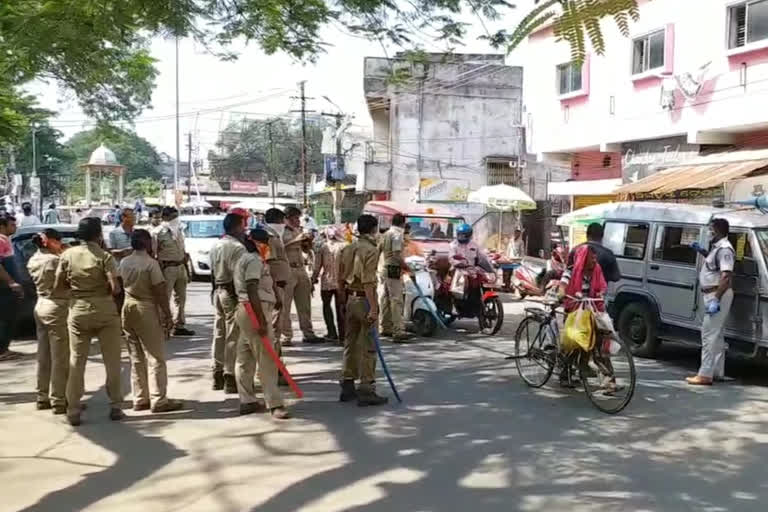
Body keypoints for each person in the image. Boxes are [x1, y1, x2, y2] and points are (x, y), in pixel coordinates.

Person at [54, 217, 124, 426]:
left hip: (78, 309)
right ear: (98, 235)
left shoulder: (67, 255)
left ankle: (73, 409)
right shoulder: (105, 257)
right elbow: (116, 288)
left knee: (77, 361)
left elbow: (58, 285)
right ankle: (116, 406)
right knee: (112, 360)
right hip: (103, 308)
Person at [119, 229, 183, 412]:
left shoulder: (124, 262)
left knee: (136, 356)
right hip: (145, 308)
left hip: (128, 307)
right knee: (155, 356)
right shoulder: (151, 264)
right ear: (147, 243)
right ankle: (159, 399)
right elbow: (160, 292)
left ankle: (140, 397)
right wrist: (167, 315)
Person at [233, 228, 291, 419]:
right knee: (267, 357)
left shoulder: (250, 259)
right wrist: (260, 319)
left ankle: (247, 400)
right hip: (254, 310)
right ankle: (274, 404)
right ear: (259, 243)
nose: (269, 247)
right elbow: (252, 288)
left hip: (247, 309)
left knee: (245, 355)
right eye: (266, 243)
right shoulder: (253, 260)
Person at [338, 214, 388, 406]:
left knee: (350, 343)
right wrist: (374, 309)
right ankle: (367, 388)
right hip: (364, 300)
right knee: (369, 346)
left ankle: (347, 383)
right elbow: (368, 281)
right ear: (374, 229)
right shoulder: (370, 250)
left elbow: (340, 276)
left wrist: (342, 299)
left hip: (350, 298)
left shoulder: (348, 247)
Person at [687, 218, 735, 386]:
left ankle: (705, 374)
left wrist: (716, 299)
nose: (708, 232)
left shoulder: (725, 249)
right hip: (714, 293)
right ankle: (717, 371)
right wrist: (702, 252)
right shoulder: (717, 249)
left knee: (708, 334)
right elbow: (715, 265)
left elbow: (726, 277)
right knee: (717, 335)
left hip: (717, 294)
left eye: (710, 229)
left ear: (717, 231)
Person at [28, 229, 69, 413]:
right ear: (50, 241)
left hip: (40, 304)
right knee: (60, 356)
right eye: (58, 241)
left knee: (43, 355)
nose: (61, 243)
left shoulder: (33, 259)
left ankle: (42, 395)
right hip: (57, 306)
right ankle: (59, 400)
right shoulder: (55, 260)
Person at [209, 213, 247, 393]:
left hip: (218, 289)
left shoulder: (216, 244)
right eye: (243, 225)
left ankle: (217, 372)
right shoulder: (237, 247)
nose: (245, 229)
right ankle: (229, 375)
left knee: (219, 332)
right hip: (231, 292)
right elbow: (238, 275)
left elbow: (211, 271)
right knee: (233, 334)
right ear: (237, 227)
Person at [280, 206, 324, 345]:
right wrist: (297, 239)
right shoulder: (280, 232)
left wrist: (307, 241)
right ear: (286, 219)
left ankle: (308, 333)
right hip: (287, 269)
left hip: (301, 268)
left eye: (298, 218)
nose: (297, 221)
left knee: (304, 304)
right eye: (294, 218)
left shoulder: (298, 230)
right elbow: (280, 248)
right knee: (285, 305)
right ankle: (286, 335)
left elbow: (305, 248)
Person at [153, 206, 194, 337]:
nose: (176, 219)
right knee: (164, 298)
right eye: (173, 217)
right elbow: (154, 254)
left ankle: (179, 325)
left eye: (176, 216)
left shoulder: (180, 230)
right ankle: (163, 326)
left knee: (181, 298)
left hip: (181, 266)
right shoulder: (157, 233)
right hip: (167, 268)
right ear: (165, 218)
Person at [263, 208, 291, 380]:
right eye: (282, 221)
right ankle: (274, 368)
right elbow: (269, 266)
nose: (284, 225)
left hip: (279, 285)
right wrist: (275, 293)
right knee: (273, 330)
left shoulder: (274, 235)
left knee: (276, 329)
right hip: (275, 287)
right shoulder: (270, 237)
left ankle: (276, 366)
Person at [378, 213, 410, 342]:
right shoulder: (397, 235)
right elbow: (397, 254)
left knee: (386, 299)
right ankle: (398, 330)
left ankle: (386, 327)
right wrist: (406, 266)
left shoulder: (386, 234)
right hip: (393, 269)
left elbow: (378, 250)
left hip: (386, 268)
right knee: (396, 300)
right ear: (402, 223)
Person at [312, 226, 346, 344]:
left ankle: (331, 332)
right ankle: (343, 336)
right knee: (341, 308)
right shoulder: (344, 246)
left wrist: (313, 279)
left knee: (326, 306)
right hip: (341, 282)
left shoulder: (322, 247)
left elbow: (317, 266)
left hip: (326, 281)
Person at [0, 215, 23, 361]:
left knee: (8, 318)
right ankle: (2, 350)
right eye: (12, 225)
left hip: (8, 289)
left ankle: (4, 349)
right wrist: (11, 282)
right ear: (2, 226)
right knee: (5, 319)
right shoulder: (1, 240)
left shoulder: (5, 240)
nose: (15, 227)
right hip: (4, 289)